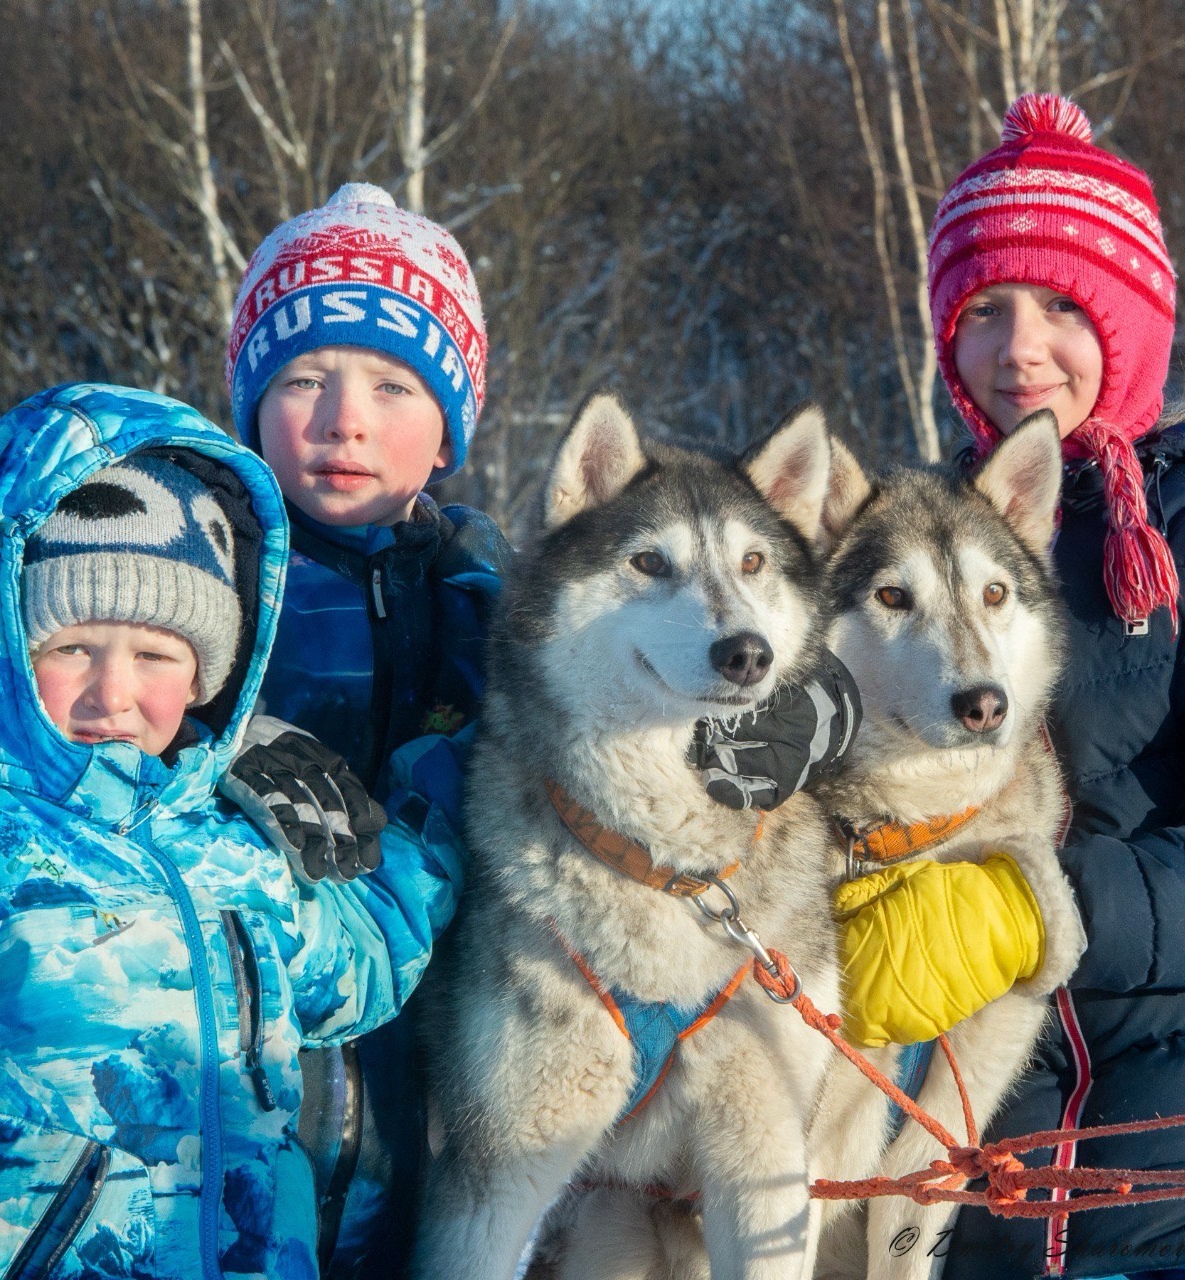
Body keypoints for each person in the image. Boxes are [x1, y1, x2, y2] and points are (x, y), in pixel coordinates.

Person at [224, 182, 864, 1276]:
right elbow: (91, 704)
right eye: (301, 379)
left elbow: (769, 638)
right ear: (249, 405)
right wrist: (230, 750)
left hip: (433, 998)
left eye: (392, 384)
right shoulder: (209, 578)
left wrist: (816, 705)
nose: (344, 419)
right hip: (269, 1023)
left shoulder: (484, 591)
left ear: (448, 430)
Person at [0, 382, 465, 1278]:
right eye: (72, 648)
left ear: (207, 674)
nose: (113, 692)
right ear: (5, 646)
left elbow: (365, 961)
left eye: (155, 655)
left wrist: (452, 787)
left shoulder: (240, 849)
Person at [836, 93, 1185, 1278]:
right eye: (982, 310)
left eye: (1060, 305)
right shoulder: (898, 540)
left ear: (1131, 323)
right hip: (946, 1196)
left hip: (1171, 1193)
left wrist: (1029, 909)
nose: (1017, 349)